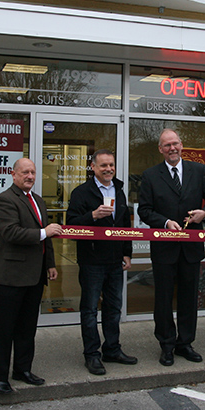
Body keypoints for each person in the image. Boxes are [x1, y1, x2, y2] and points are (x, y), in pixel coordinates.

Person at [138, 129, 205, 366]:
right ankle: (166, 344)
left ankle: (185, 343)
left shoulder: (198, 170)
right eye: (167, 145)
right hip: (164, 247)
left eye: (175, 144)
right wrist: (164, 222)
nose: (172, 148)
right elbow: (144, 210)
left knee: (188, 298)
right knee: (163, 300)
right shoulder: (150, 175)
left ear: (181, 145)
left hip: (191, 247)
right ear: (160, 149)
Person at [0, 157, 63, 394]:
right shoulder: (5, 200)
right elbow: (11, 233)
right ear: (13, 175)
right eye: (25, 172)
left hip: (34, 276)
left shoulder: (39, 201)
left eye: (33, 172)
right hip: (9, 277)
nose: (30, 176)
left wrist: (49, 264)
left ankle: (22, 370)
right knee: (4, 330)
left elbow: (47, 239)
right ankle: (0, 377)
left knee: (26, 328)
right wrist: (44, 232)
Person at [66, 149, 137, 375]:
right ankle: (92, 354)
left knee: (113, 308)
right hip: (92, 261)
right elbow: (71, 226)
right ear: (93, 167)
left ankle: (112, 349)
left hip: (116, 261)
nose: (108, 169)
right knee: (89, 310)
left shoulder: (119, 190)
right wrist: (93, 216)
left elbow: (125, 224)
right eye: (103, 165)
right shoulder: (81, 193)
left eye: (111, 165)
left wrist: (127, 252)